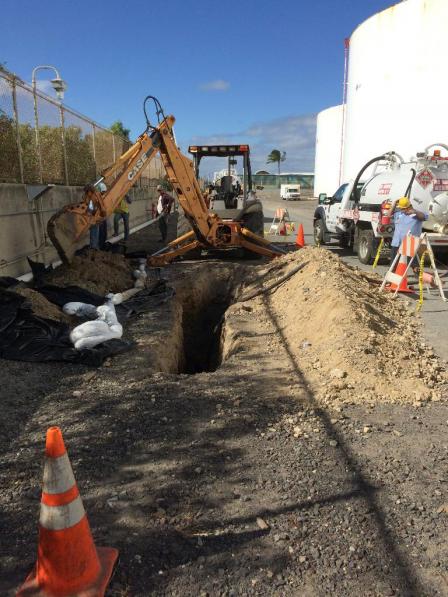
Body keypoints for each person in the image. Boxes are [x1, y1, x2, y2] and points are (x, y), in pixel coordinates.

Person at [388, 196, 428, 264]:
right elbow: (389, 215)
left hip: (410, 242)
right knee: (394, 262)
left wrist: (414, 212)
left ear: (409, 206)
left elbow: (424, 217)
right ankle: (392, 272)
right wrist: (394, 204)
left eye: (403, 208)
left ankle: (417, 272)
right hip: (397, 242)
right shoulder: (399, 214)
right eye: (401, 208)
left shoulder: (416, 214)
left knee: (413, 263)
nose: (402, 210)